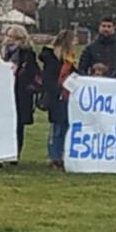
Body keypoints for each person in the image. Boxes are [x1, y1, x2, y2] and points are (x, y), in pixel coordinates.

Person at [38, 30, 77, 170]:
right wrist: (57, 89)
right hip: (56, 96)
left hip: (67, 96)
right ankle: (54, 156)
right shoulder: (52, 58)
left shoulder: (70, 58)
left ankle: (62, 156)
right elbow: (48, 79)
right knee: (57, 128)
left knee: (65, 126)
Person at [3, 25, 39, 156]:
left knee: (18, 125)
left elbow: (32, 72)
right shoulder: (4, 53)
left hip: (21, 93)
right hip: (6, 92)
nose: (10, 39)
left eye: (14, 37)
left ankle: (16, 152)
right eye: (9, 36)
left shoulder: (28, 54)